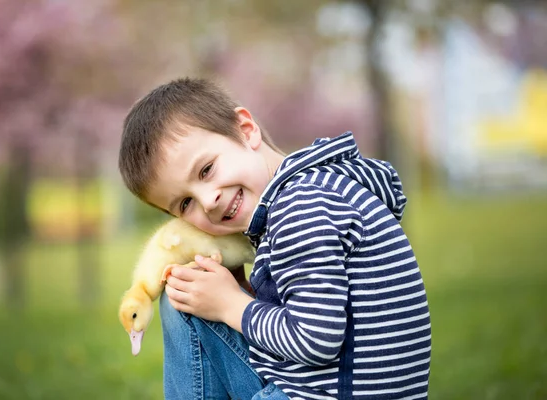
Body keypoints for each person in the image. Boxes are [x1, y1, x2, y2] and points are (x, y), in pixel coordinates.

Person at [118, 77, 431, 400]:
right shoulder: (318, 189)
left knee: (184, 295)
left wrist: (230, 304)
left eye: (206, 169)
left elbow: (317, 339)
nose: (208, 200)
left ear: (245, 129)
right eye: (185, 203)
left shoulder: (301, 207)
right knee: (190, 288)